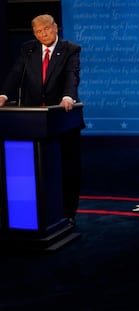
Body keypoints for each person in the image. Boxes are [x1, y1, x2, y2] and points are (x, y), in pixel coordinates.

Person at [0, 14, 84, 225]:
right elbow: (16, 73)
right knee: (36, 170)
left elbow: (71, 75)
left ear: (55, 28)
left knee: (67, 169)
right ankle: (37, 216)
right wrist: (3, 94)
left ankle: (68, 214)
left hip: (62, 119)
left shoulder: (70, 49)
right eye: (38, 31)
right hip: (32, 121)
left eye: (46, 29)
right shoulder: (28, 49)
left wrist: (68, 96)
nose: (42, 34)